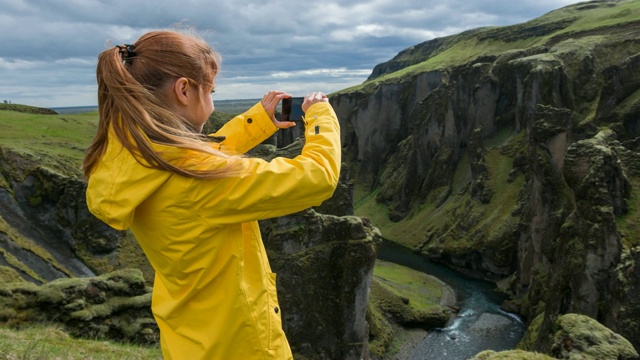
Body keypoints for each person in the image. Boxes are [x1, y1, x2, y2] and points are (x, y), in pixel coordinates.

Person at [82, 29, 341, 360]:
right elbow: (317, 179)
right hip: (239, 345)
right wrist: (321, 116)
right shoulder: (195, 179)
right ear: (184, 90)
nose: (213, 99)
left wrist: (259, 121)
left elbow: (193, 158)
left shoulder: (134, 158)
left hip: (189, 339)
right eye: (211, 90)